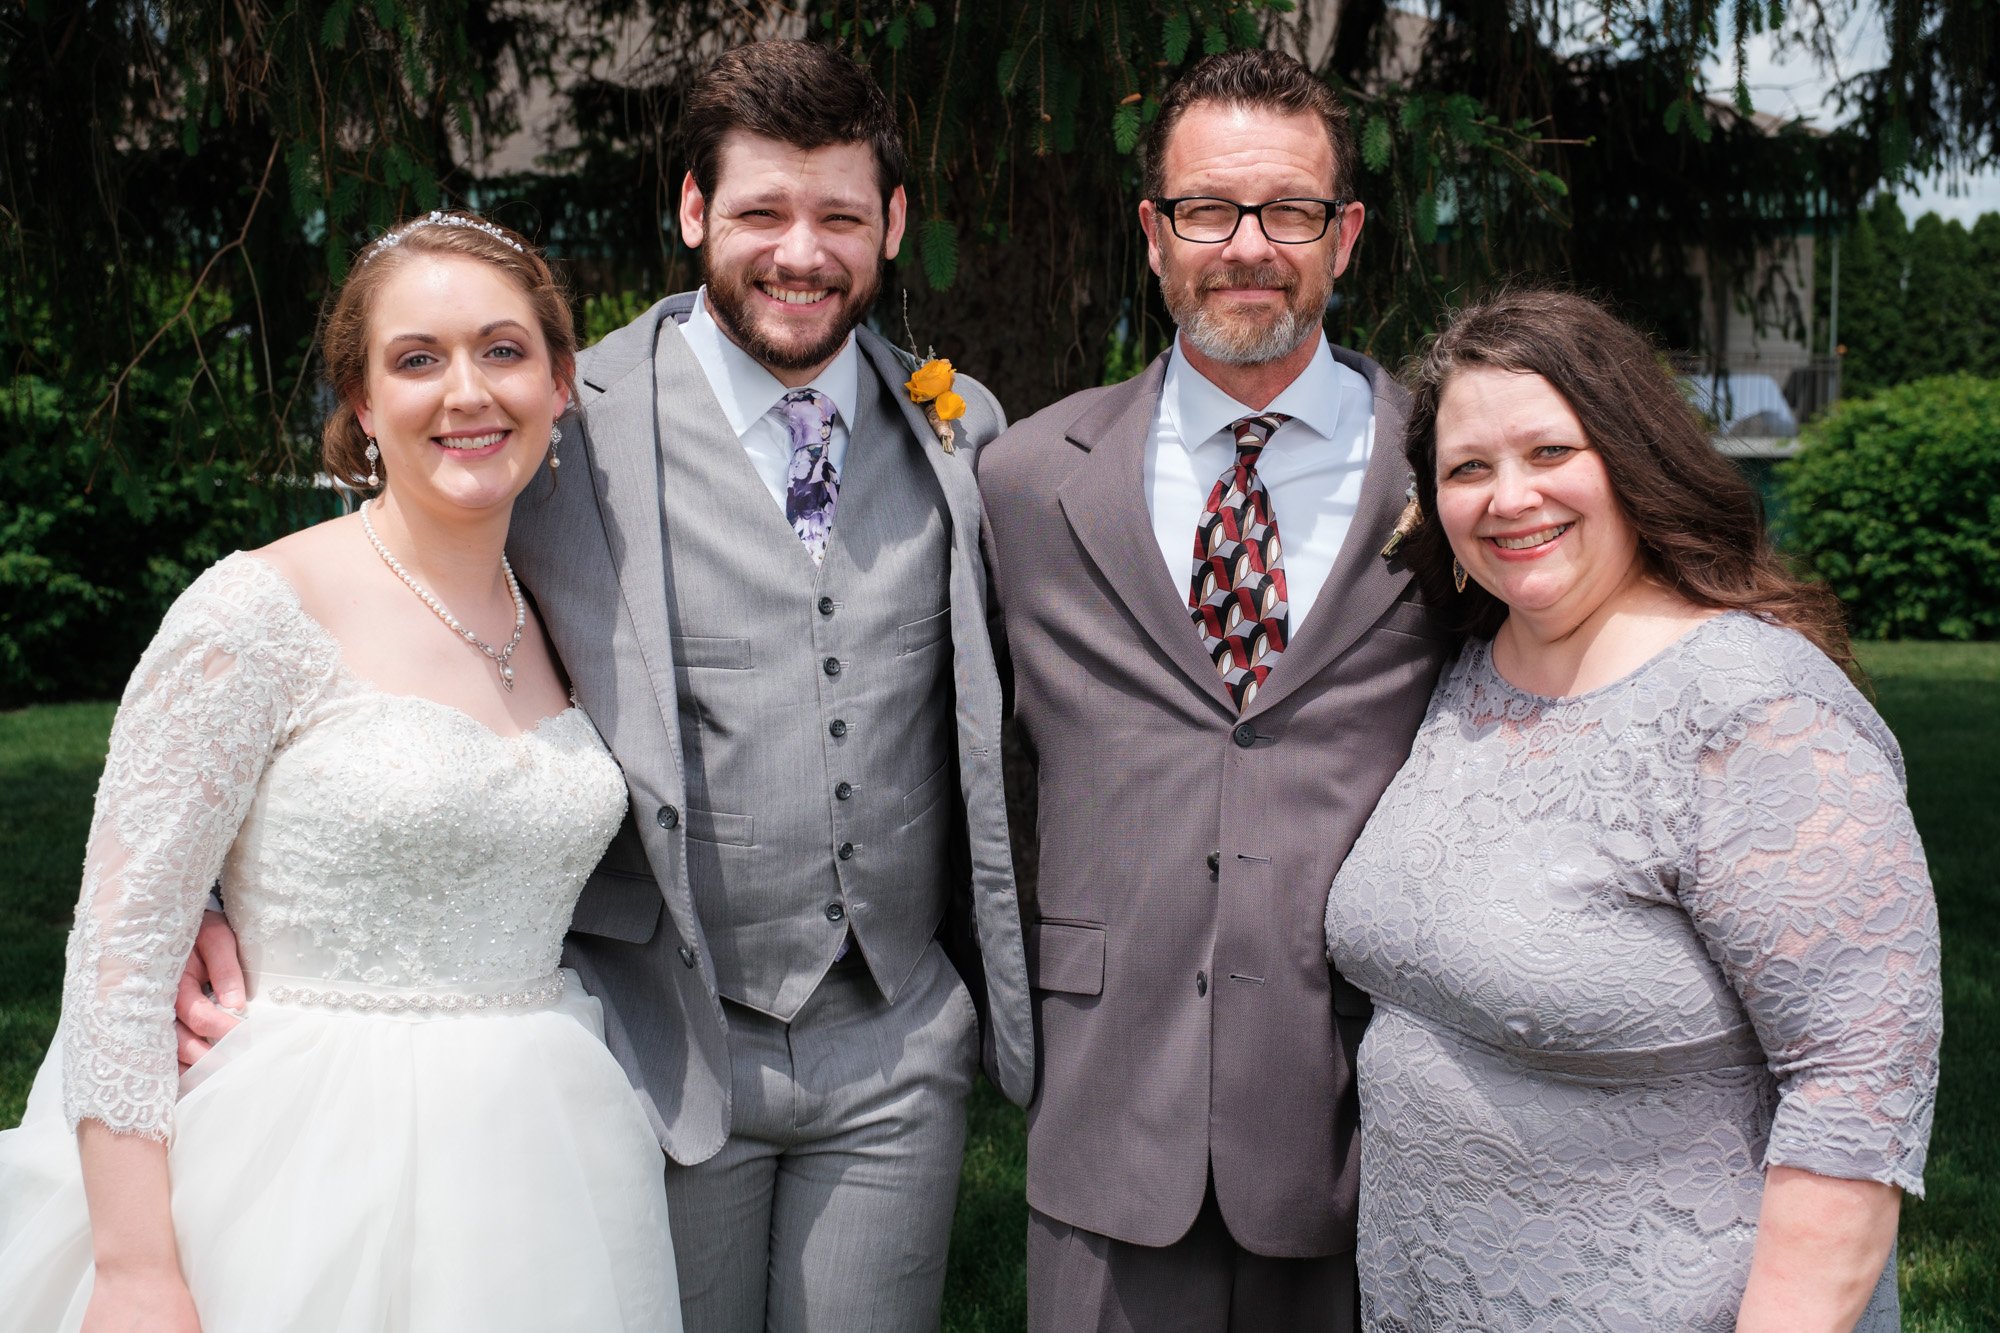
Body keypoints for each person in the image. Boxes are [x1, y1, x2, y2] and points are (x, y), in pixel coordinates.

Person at [177, 39, 1033, 1333]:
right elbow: (372, 611)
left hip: (896, 1040)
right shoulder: (561, 418)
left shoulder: (961, 423)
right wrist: (202, 891)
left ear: (894, 225)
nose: (800, 252)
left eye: (840, 217)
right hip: (658, 1032)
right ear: (693, 210)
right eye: (760, 212)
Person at [0, 212, 682, 1331]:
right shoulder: (256, 611)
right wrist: (134, 1267)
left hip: (538, 1160)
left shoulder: (567, 612)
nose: (466, 391)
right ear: (362, 403)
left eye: (502, 350)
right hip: (301, 1165)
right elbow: (118, 957)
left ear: (560, 384)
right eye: (417, 360)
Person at [1324, 288, 1942, 1331]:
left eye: (1549, 452)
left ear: (1630, 455)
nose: (1509, 496)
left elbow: (1855, 1090)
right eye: (1467, 468)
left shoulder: (1755, 712)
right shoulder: (1467, 674)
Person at [976, 48, 1453, 1331]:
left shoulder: (1448, 471)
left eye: (1288, 209)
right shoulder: (1027, 479)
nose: (1247, 246)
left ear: (1344, 234)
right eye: (1207, 210)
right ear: (1153, 234)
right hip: (1106, 1103)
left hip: (1361, 1112)